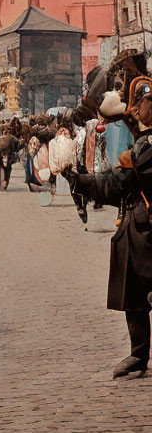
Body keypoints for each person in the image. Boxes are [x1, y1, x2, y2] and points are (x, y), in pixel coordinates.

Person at [65, 89, 152, 379]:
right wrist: (86, 181)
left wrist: (85, 182)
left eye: (142, 103)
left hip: (145, 226)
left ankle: (139, 354)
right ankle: (139, 354)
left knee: (142, 290)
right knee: (135, 294)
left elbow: (121, 182)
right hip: (136, 222)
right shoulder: (141, 141)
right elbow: (119, 185)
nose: (135, 110)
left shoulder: (146, 146)